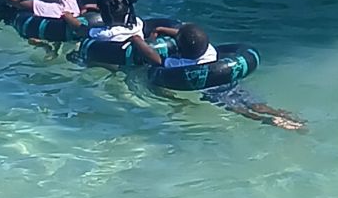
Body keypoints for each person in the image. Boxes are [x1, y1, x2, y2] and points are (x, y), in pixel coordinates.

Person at [130, 24, 304, 130]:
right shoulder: (210, 51)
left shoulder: (181, 64)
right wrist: (162, 29)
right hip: (229, 82)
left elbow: (155, 58)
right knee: (255, 104)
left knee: (240, 110)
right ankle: (282, 115)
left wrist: (137, 40)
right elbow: (191, 37)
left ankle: (267, 120)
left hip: (213, 91)